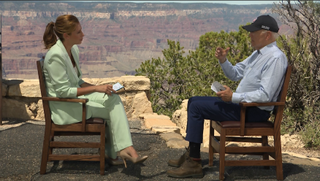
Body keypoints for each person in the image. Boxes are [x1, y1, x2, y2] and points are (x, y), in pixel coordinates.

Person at [167, 15, 288, 178]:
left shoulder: (275, 58)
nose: (250, 35)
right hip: (242, 106)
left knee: (196, 106)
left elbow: (265, 95)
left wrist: (234, 97)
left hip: (252, 111)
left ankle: (194, 164)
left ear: (267, 35)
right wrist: (223, 60)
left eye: (254, 32)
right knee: (194, 101)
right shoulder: (259, 54)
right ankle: (192, 153)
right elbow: (236, 73)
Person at [42, 14, 148, 168]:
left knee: (112, 98)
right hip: (66, 108)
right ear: (66, 35)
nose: (82, 34)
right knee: (113, 109)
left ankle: (121, 151)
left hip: (75, 101)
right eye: (78, 32)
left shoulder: (73, 50)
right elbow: (64, 92)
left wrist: (102, 88)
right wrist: (96, 88)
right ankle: (123, 150)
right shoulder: (55, 56)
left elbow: (77, 81)